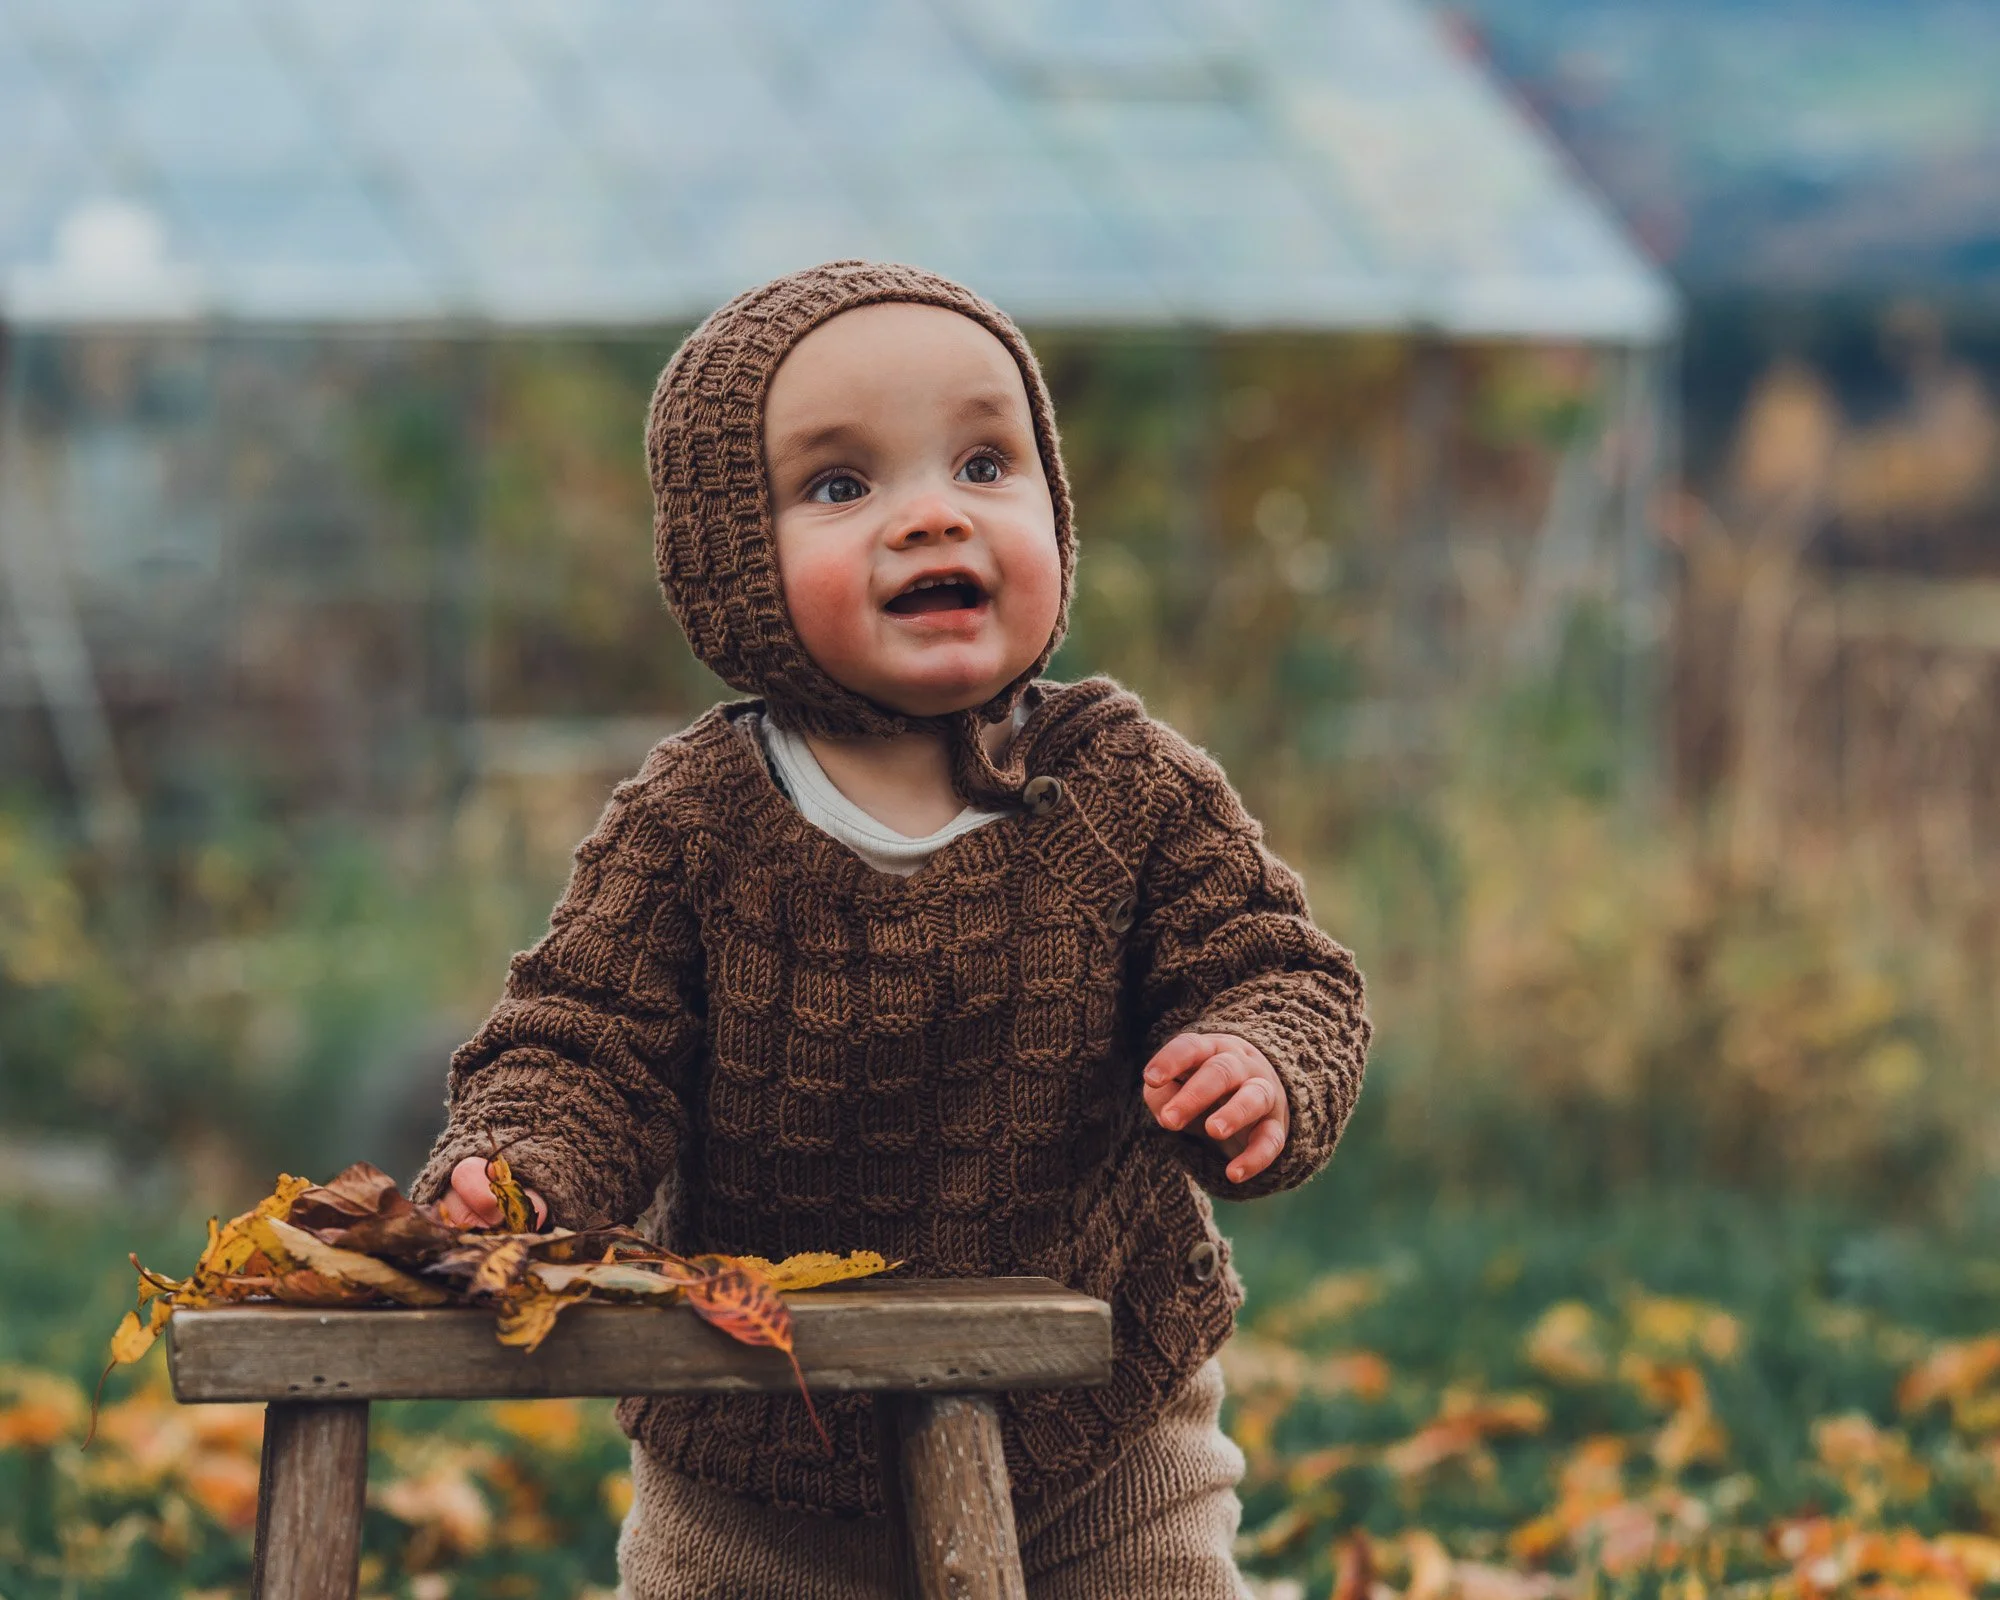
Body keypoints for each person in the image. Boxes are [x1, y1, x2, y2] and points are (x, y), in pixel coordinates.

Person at [411, 260, 1370, 1598]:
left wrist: (1258, 1056)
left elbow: (1276, 965)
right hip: (758, 1457)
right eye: (841, 486)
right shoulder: (698, 821)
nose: (932, 518)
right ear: (732, 559)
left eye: (985, 465)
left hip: (1100, 1427)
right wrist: (524, 1164)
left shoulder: (1120, 788)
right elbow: (588, 1042)